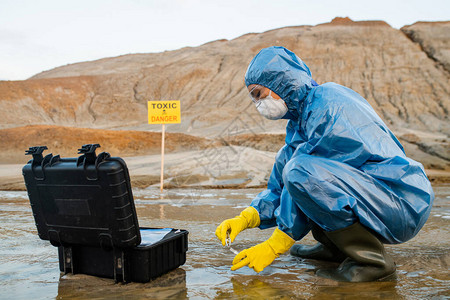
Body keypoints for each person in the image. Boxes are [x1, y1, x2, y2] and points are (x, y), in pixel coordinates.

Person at [215, 46, 434, 282]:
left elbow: (307, 179)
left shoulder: (328, 104)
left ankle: (372, 262)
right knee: (290, 162)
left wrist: (274, 245)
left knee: (301, 171)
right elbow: (281, 187)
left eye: (258, 94)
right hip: (375, 196)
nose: (258, 103)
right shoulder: (301, 122)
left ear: (280, 81)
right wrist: (246, 218)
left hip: (399, 200)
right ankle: (336, 249)